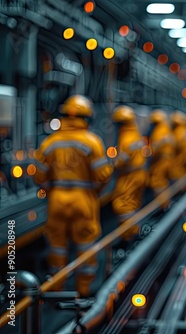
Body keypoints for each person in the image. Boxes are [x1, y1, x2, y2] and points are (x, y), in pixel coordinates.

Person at [33, 94, 113, 297]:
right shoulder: (92, 142)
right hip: (84, 200)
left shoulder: (50, 143)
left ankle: (56, 290)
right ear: (86, 118)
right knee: (85, 245)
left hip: (57, 200)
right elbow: (104, 175)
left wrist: (51, 189)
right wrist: (94, 191)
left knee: (57, 246)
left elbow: (39, 176)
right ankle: (83, 291)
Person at [111, 105, 147, 242]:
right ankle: (134, 231)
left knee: (124, 204)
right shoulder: (135, 134)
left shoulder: (126, 137)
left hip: (129, 177)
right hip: (139, 174)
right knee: (133, 202)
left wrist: (113, 165)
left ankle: (129, 236)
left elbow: (123, 160)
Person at [147, 109, 176, 207]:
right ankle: (167, 203)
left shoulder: (158, 132)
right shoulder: (167, 130)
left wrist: (150, 151)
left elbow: (155, 149)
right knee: (164, 182)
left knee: (158, 183)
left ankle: (164, 205)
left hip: (160, 162)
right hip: (167, 160)